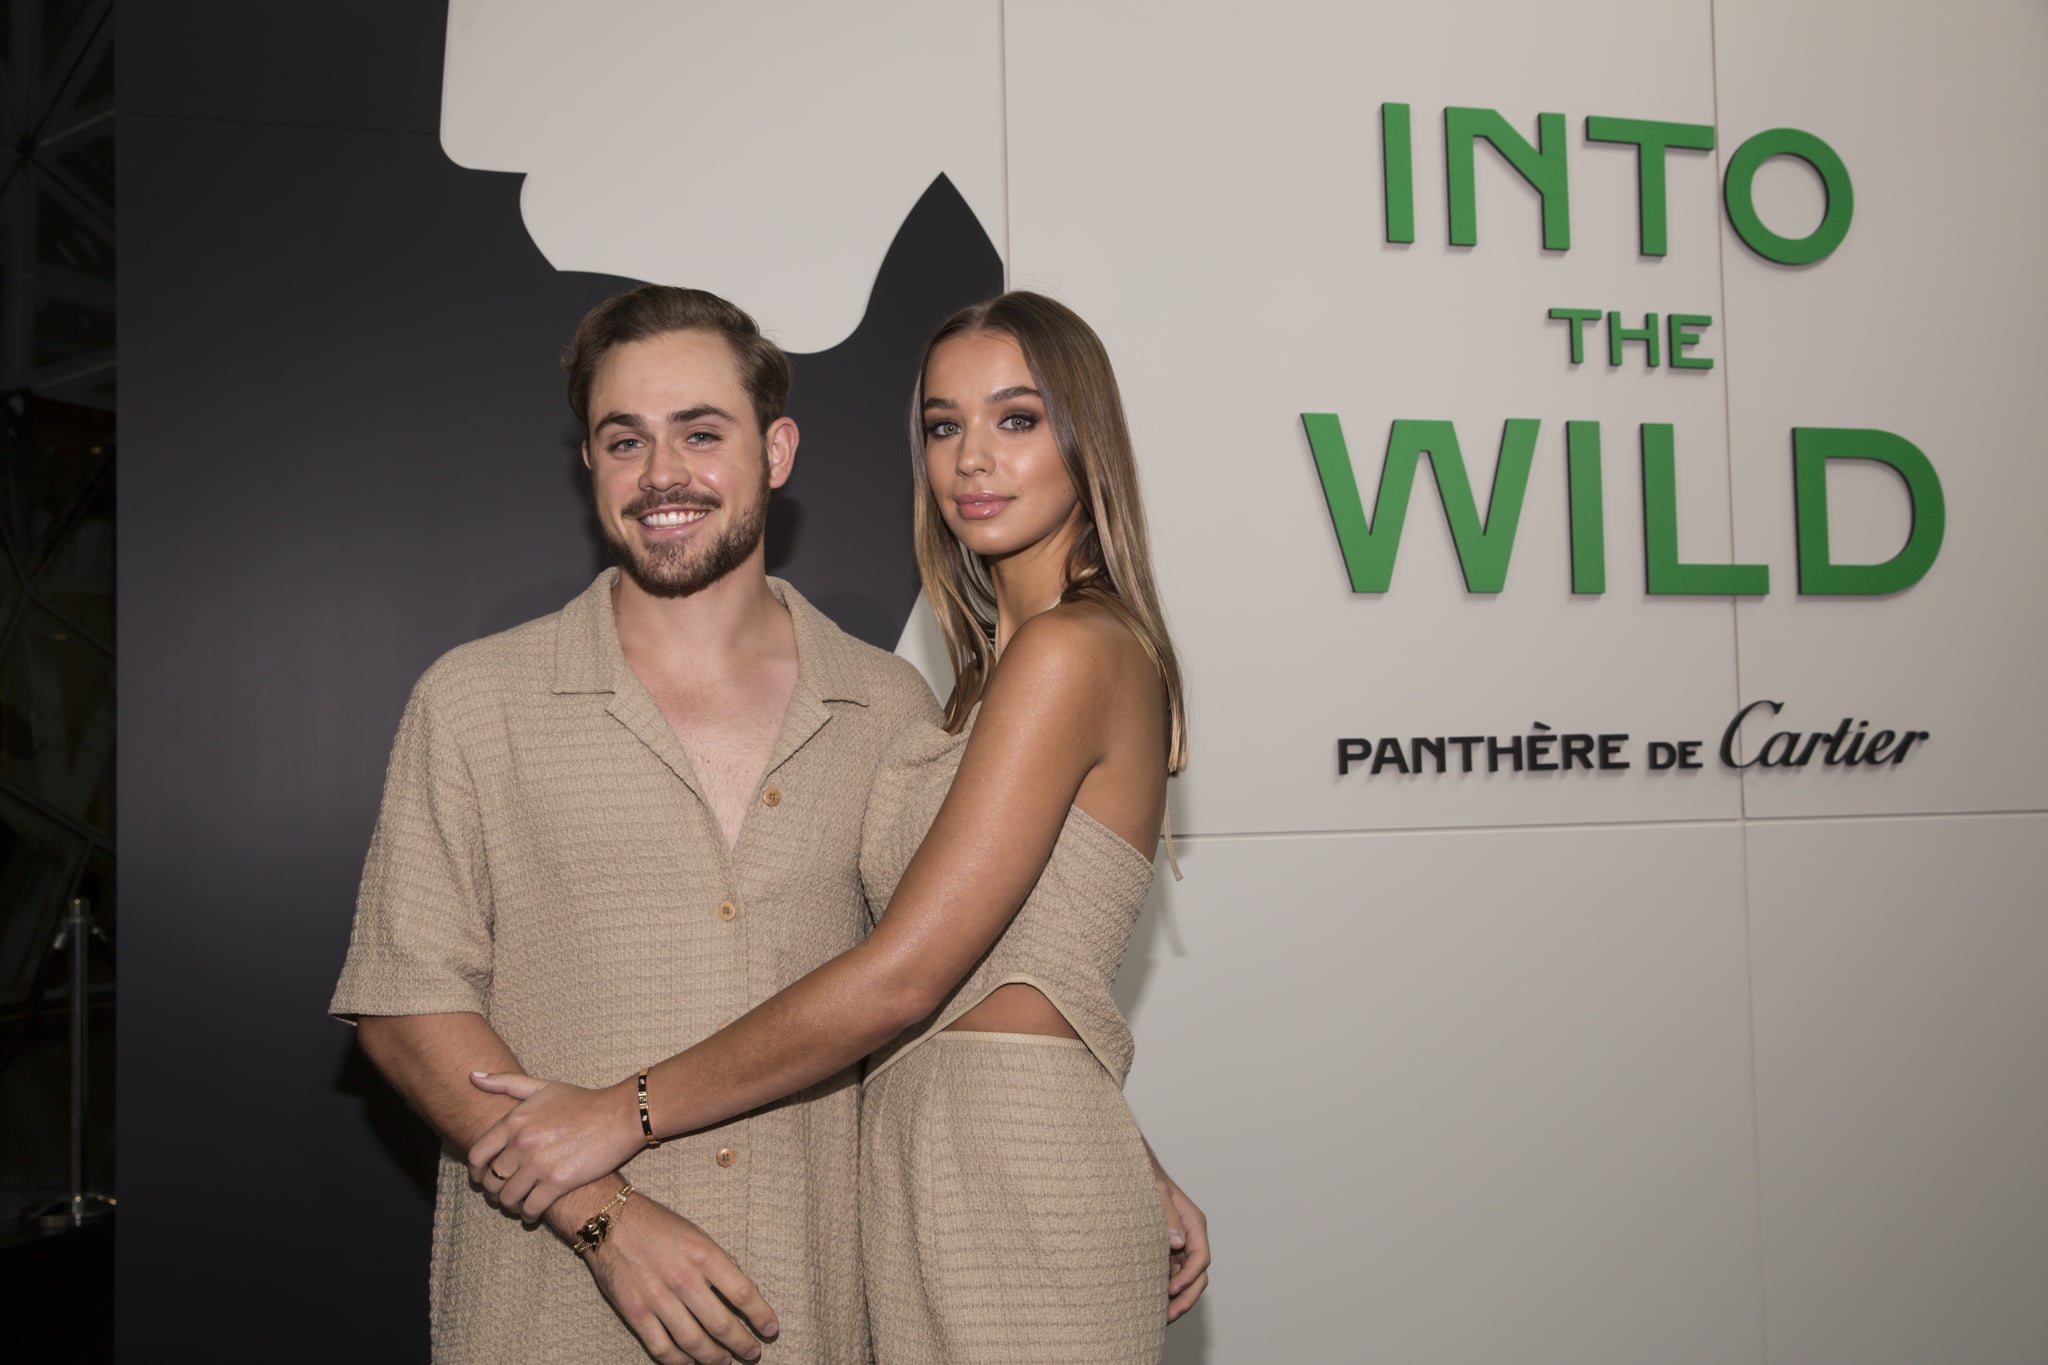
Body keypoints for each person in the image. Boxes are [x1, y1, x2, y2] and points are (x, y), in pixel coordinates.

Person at [463, 291, 1211, 1363]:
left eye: (1017, 419)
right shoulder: (979, 681)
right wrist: (1121, 1143)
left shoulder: (1068, 655)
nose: (971, 461)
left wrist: (617, 1113)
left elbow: (903, 976)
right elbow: (1008, 962)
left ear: (1083, 440)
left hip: (1002, 1180)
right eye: (944, 426)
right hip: (927, 1167)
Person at [331, 286, 947, 1364]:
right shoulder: (475, 700)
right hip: (549, 1312)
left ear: (777, 449)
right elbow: (404, 1005)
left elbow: (944, 990)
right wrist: (605, 1219)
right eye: (626, 440)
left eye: (701, 433)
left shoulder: (885, 705)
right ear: (591, 466)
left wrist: (1109, 1154)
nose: (663, 474)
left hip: (809, 1313)